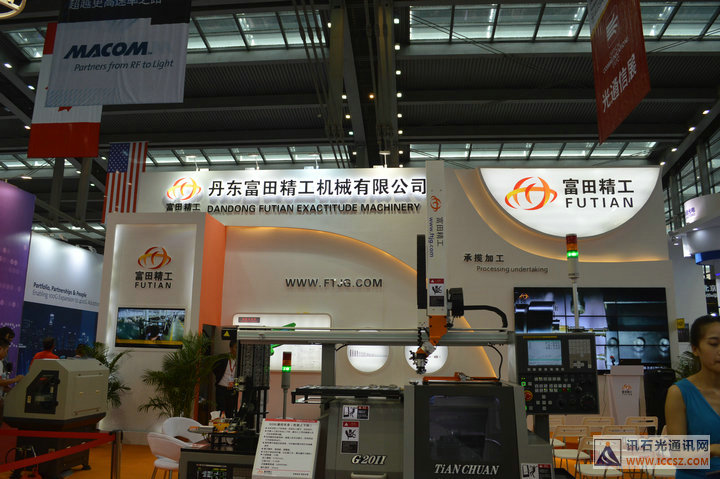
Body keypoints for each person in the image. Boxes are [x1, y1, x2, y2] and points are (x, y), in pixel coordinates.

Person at [665, 314, 720, 478]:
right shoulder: (679, 393)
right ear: (695, 349)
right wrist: (713, 449)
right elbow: (679, 456)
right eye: (714, 344)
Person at [213, 341, 238, 418]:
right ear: (231, 348)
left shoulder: (239, 360)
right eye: (236, 348)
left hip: (232, 389)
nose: (237, 350)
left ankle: (229, 425)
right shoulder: (222, 358)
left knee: (230, 411)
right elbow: (214, 368)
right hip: (221, 388)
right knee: (221, 410)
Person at [0, 338, 23, 417]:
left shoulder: (1, 362)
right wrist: (15, 379)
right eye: (6, 351)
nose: (6, 354)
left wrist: (10, 390)